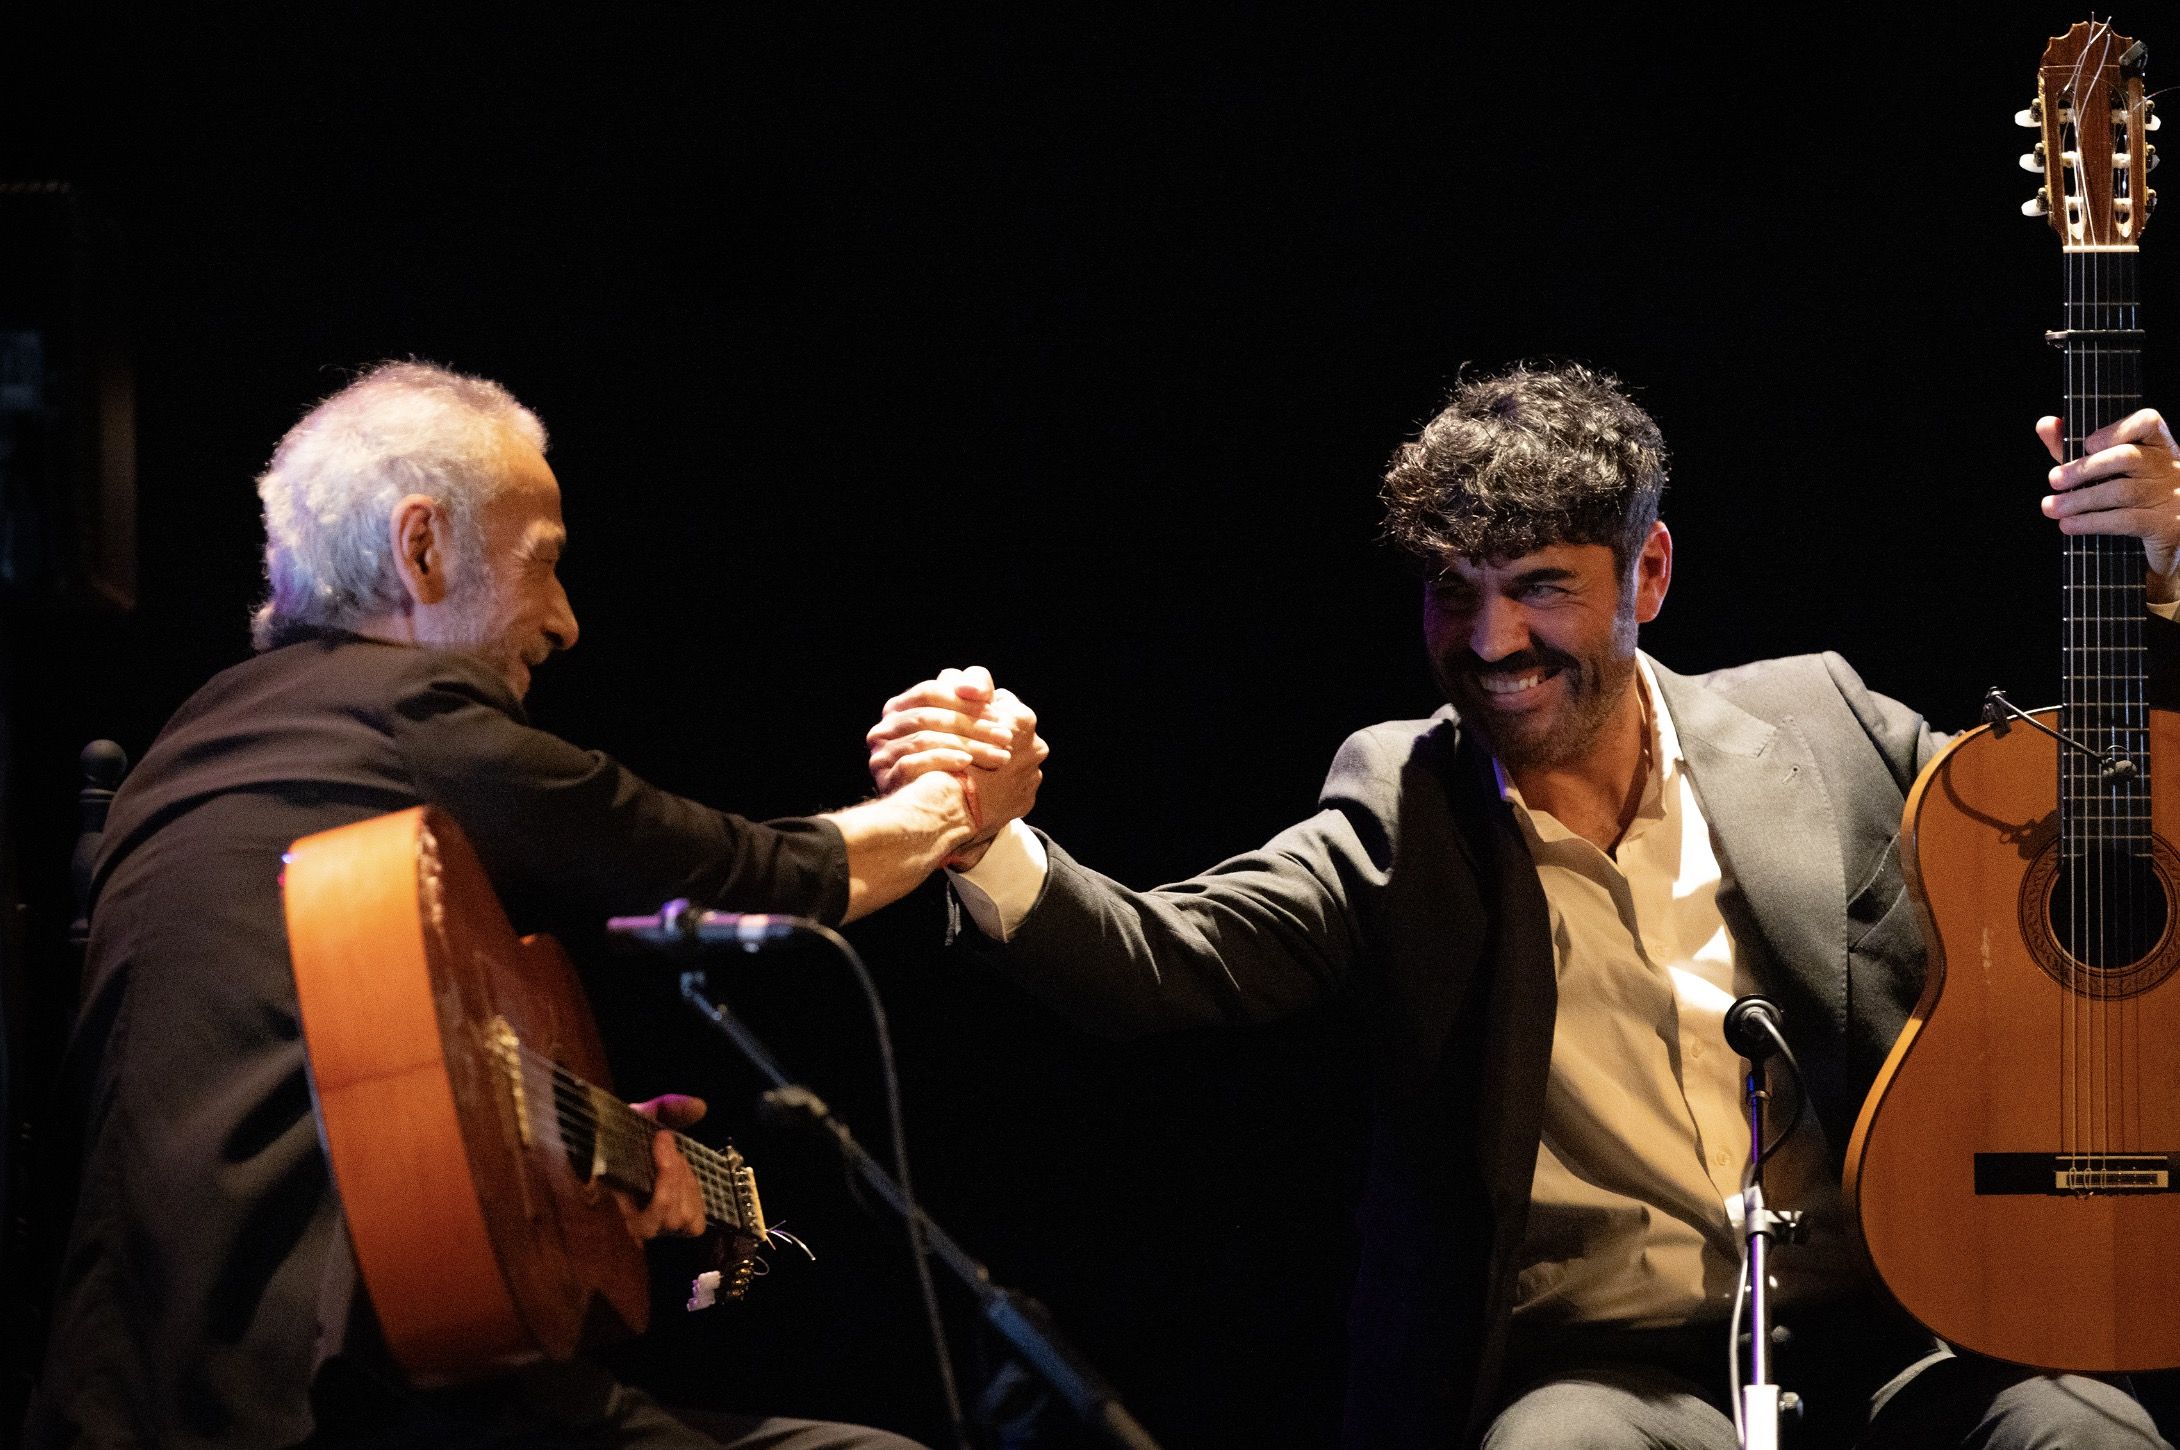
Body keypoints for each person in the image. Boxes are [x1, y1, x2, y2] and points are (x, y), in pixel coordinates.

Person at [866, 363, 2180, 1448]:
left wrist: (2163, 562)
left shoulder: (1822, 722)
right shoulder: (1404, 800)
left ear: (1647, 572)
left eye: (1541, 585)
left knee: (2090, 1435)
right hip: (1614, 1372)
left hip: (1894, 1331)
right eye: (1456, 591)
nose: (1492, 642)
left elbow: (2103, 831)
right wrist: (987, 838)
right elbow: (1162, 959)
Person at [24, 361, 1041, 1450]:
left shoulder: (204, 740)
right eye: (542, 566)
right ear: (421, 549)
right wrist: (953, 804)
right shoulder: (408, 709)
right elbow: (731, 872)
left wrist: (566, 1152)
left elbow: (333, 1080)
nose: (563, 623)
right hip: (334, 1399)